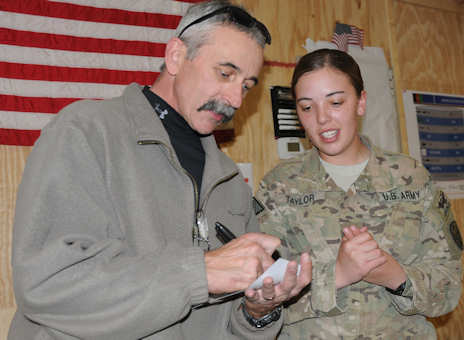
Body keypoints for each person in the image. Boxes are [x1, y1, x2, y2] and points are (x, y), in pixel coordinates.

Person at [8, 1, 311, 339]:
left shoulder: (229, 181)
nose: (236, 99)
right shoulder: (86, 132)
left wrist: (257, 312)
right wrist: (201, 273)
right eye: (225, 74)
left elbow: (225, 325)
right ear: (176, 56)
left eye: (246, 85)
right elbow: (49, 285)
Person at [255, 48, 463, 339]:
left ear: (361, 103)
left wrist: (394, 276)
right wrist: (337, 274)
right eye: (307, 107)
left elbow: (449, 287)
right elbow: (259, 297)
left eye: (336, 102)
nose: (322, 118)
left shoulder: (411, 178)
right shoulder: (279, 187)